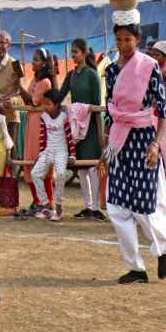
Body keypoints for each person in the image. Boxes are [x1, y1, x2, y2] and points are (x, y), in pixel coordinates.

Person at [101, 12, 166, 283]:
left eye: (128, 39)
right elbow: (109, 111)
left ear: (138, 40)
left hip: (143, 140)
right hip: (119, 141)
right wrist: (106, 151)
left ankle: (165, 249)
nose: (123, 44)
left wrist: (155, 144)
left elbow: (163, 109)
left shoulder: (149, 66)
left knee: (144, 205)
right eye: (118, 39)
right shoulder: (111, 70)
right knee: (116, 207)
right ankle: (136, 267)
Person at [56, 38, 105, 220]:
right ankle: (87, 206)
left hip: (91, 125)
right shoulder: (71, 75)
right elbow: (60, 95)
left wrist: (99, 132)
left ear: (84, 53)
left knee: (92, 166)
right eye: (72, 52)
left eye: (76, 52)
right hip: (77, 128)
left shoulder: (92, 74)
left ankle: (95, 207)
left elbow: (97, 104)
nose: (73, 55)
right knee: (81, 168)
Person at [18, 48, 56, 212]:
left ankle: (47, 202)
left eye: (36, 60)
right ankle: (36, 201)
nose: (33, 62)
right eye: (33, 59)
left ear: (44, 63)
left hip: (40, 123)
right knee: (30, 162)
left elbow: (33, 101)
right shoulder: (35, 80)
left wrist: (18, 84)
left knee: (41, 163)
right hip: (32, 122)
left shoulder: (45, 82)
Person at [32, 89, 76, 222]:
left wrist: (72, 154)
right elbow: (42, 137)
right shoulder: (44, 117)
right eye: (44, 103)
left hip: (61, 152)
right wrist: (41, 153)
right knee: (35, 174)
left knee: (61, 175)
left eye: (48, 104)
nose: (45, 106)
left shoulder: (63, 118)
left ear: (56, 105)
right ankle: (47, 206)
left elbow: (70, 137)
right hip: (48, 151)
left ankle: (58, 208)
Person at [0, 31, 22, 151]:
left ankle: (13, 170)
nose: (1, 46)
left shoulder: (15, 64)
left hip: (10, 113)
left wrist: (11, 100)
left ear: (9, 45)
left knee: (11, 149)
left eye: (4, 43)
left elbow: (20, 89)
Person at [146, 40, 166, 195]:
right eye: (152, 53)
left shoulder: (165, 73)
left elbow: (160, 99)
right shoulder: (158, 70)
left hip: (163, 123)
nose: (153, 56)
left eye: (157, 54)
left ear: (165, 56)